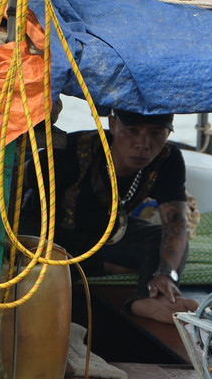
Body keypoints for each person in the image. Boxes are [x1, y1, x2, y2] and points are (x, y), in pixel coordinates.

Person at [20, 108, 197, 323]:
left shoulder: (167, 159)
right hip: (50, 235)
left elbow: (175, 222)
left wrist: (166, 274)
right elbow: (17, 179)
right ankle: (104, 266)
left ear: (167, 134)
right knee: (41, 262)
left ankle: (151, 299)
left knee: (168, 239)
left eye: (156, 133)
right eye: (132, 130)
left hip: (107, 231)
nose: (143, 144)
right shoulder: (73, 149)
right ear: (112, 124)